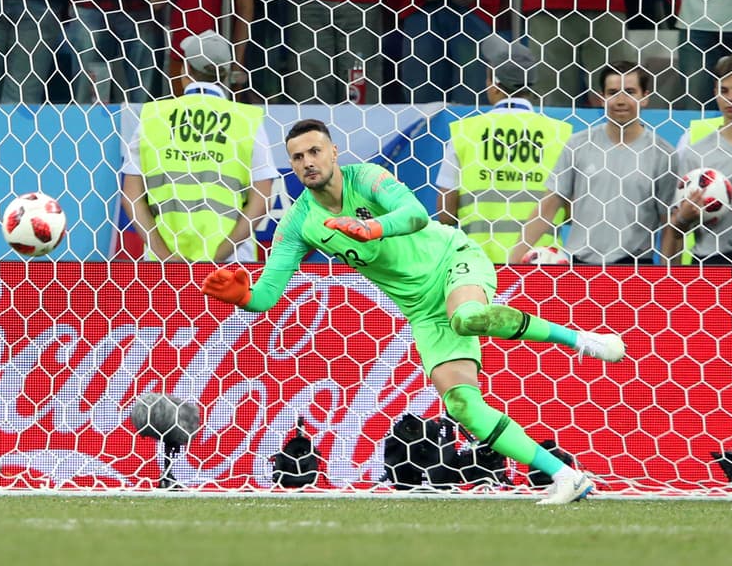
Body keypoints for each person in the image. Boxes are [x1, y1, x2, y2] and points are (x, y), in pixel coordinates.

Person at [202, 117, 626, 505]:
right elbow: (267, 295)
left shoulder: (365, 178)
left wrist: (372, 227)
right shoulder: (298, 222)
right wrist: (244, 296)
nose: (308, 162)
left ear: (333, 152)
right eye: (297, 157)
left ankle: (583, 340)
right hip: (421, 308)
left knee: (468, 316)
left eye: (315, 151)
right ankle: (568, 476)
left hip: (452, 258)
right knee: (462, 406)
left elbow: (417, 213)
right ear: (291, 166)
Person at [121, 31, 278, 261]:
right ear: (226, 75)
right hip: (231, 263)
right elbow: (262, 200)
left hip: (162, 267)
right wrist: (218, 255)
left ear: (185, 71)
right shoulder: (247, 120)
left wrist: (166, 257)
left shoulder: (153, 116)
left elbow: (131, 197)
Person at [510, 62, 676, 266]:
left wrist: (669, 276)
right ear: (602, 98)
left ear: (645, 97)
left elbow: (669, 224)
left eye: (630, 92)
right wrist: (512, 262)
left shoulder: (663, 154)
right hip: (581, 268)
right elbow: (548, 207)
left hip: (636, 269)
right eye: (613, 92)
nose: (621, 100)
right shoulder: (577, 145)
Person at [436, 35, 573, 263]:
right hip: (542, 264)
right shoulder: (561, 134)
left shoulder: (465, 132)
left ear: (494, 84)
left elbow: (446, 212)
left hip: (479, 264)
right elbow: (572, 211)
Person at [663, 54, 732, 265]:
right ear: (715, 93)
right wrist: (683, 217)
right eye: (723, 91)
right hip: (712, 263)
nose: (730, 98)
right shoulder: (697, 152)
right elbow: (676, 228)